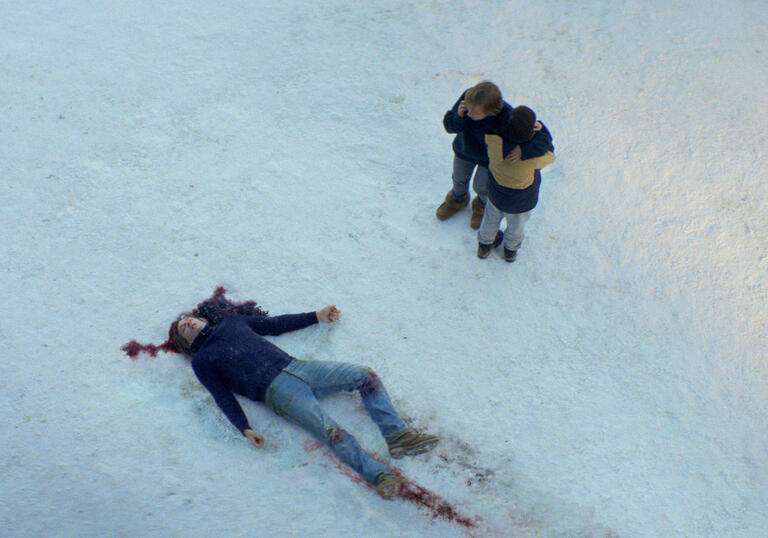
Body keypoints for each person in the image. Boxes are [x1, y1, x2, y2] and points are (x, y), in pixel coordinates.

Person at [170, 304, 439, 500]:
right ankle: (381, 476)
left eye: (190, 319)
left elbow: (274, 325)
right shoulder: (202, 361)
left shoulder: (233, 323)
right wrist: (244, 427)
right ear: (187, 342)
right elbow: (222, 397)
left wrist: (316, 316)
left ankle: (398, 436)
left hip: (300, 368)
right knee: (332, 432)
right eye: (184, 328)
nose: (190, 323)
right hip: (277, 393)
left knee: (364, 376)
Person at [438, 81, 552, 229]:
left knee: (482, 186)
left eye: (476, 113)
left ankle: (481, 206)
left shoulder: (507, 115)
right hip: (464, 149)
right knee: (459, 178)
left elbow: (533, 140)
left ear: (491, 111)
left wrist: (523, 150)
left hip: (489, 159)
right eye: (468, 109)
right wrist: (458, 117)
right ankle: (457, 200)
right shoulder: (468, 100)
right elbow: (449, 126)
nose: (469, 114)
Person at [477, 105, 555, 262]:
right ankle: (510, 250)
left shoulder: (493, 143)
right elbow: (550, 153)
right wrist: (540, 134)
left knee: (490, 219)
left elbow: (493, 126)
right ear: (530, 134)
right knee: (516, 226)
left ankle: (484, 245)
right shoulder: (532, 159)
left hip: (496, 195)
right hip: (521, 202)